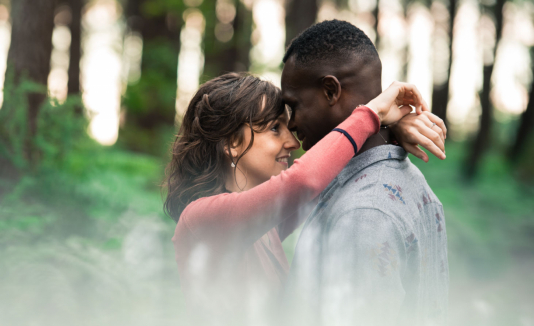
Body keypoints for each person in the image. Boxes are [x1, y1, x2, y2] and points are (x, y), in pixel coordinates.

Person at [164, 71, 446, 312]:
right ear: (232, 144)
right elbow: (304, 182)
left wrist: (390, 129)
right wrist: (373, 113)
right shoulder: (201, 218)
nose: (292, 142)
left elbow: (327, 179)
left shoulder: (265, 228)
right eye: (275, 129)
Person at [280, 20, 449, 316]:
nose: (291, 123)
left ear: (331, 90)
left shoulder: (363, 212)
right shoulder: (406, 180)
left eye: (294, 105)